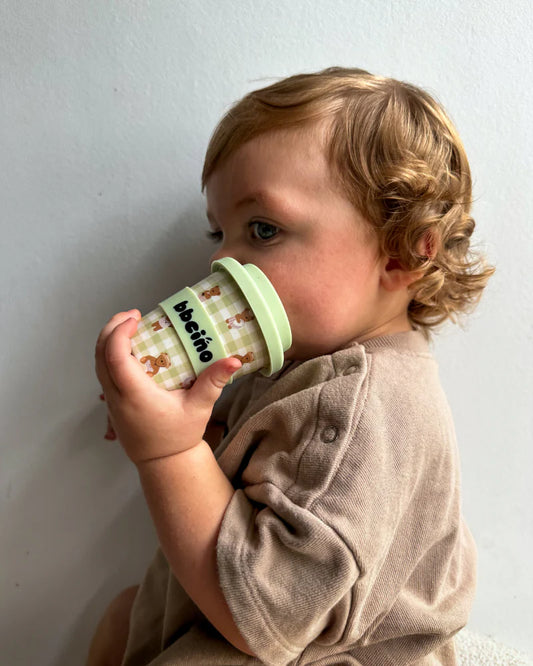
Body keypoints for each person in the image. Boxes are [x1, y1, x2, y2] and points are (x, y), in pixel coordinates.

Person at [88, 67, 494, 665]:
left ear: (400, 254)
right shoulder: (300, 360)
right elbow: (262, 466)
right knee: (126, 615)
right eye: (220, 233)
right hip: (256, 621)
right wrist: (184, 421)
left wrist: (168, 452)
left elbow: (269, 615)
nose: (224, 261)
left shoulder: (369, 408)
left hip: (317, 648)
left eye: (263, 230)